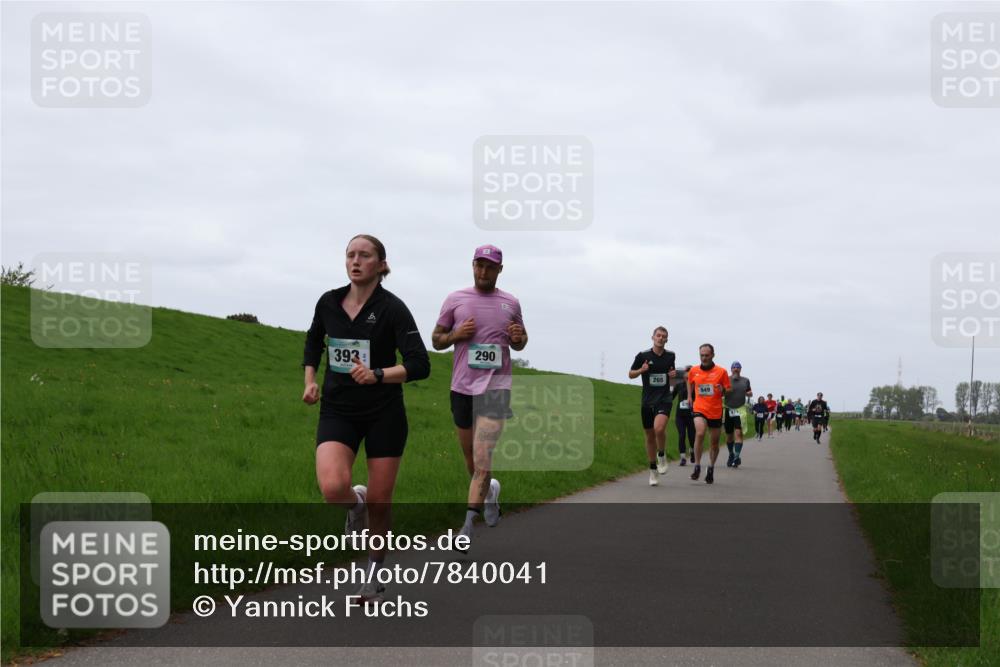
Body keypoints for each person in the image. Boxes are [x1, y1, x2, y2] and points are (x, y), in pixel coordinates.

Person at [303, 234, 430, 605]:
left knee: (381, 500)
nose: (356, 261)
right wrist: (310, 382)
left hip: (383, 413)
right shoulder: (328, 302)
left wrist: (377, 374)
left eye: (365, 255)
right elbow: (313, 342)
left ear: (381, 265)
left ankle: (373, 576)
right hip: (338, 409)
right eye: (350, 255)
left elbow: (419, 364)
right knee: (332, 488)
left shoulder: (393, 309)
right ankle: (352, 505)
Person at [432, 245, 527, 552]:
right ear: (472, 266)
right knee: (472, 462)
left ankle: (467, 526)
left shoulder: (510, 303)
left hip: (496, 388)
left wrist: (517, 338)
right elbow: (436, 339)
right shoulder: (455, 300)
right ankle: (490, 493)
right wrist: (455, 336)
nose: (483, 271)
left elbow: (522, 340)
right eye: (479, 265)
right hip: (462, 388)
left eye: (490, 266)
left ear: (500, 269)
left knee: (483, 458)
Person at [628, 327, 677, 485]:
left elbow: (672, 377)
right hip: (647, 401)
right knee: (649, 436)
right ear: (653, 337)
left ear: (666, 340)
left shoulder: (670, 356)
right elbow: (630, 374)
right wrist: (641, 370)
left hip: (664, 399)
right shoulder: (642, 356)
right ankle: (653, 470)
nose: (661, 338)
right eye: (658, 335)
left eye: (664, 336)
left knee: (659, 429)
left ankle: (661, 455)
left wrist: (672, 377)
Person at [688, 344, 731, 484]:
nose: (704, 358)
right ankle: (697, 466)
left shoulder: (721, 371)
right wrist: (690, 396)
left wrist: (722, 389)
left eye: (707, 355)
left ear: (712, 355)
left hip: (716, 410)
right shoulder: (694, 370)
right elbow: (689, 382)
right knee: (699, 433)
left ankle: (711, 468)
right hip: (699, 408)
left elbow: (728, 389)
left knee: (714, 444)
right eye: (702, 355)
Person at [724, 361, 753, 468]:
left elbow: (750, 392)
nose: (736, 369)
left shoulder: (745, 380)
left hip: (740, 410)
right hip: (727, 409)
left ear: (740, 369)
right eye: (734, 368)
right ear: (731, 369)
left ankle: (736, 457)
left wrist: (749, 393)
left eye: (738, 368)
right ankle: (731, 454)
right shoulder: (726, 378)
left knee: (738, 433)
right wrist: (725, 391)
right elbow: (721, 391)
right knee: (729, 436)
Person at [673, 366, 695, 466]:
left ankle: (692, 450)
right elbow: (671, 397)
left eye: (690, 372)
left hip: (692, 415)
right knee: (682, 435)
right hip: (680, 415)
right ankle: (682, 458)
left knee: (692, 436)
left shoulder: (696, 386)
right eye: (686, 372)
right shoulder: (678, 386)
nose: (688, 373)